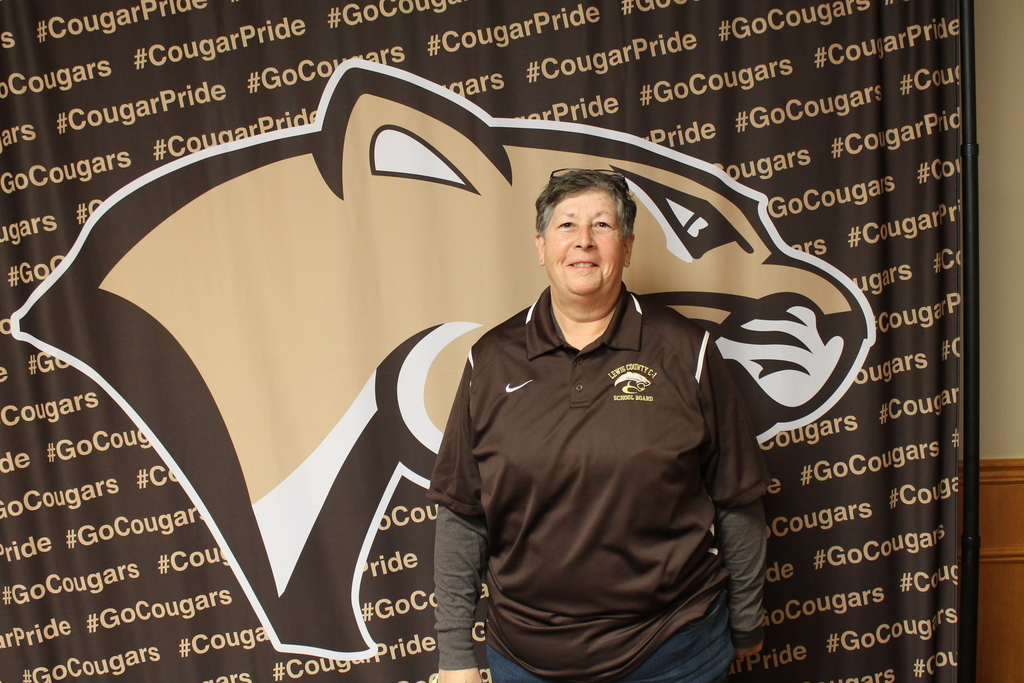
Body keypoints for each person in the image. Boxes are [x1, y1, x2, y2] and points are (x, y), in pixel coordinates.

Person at [427, 168, 771, 683]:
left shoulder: (687, 352)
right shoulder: (490, 362)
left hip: (675, 652)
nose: (583, 241)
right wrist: (454, 654)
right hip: (527, 660)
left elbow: (737, 500)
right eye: (567, 226)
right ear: (541, 246)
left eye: (602, 226)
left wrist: (746, 625)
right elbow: (462, 515)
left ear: (627, 247)